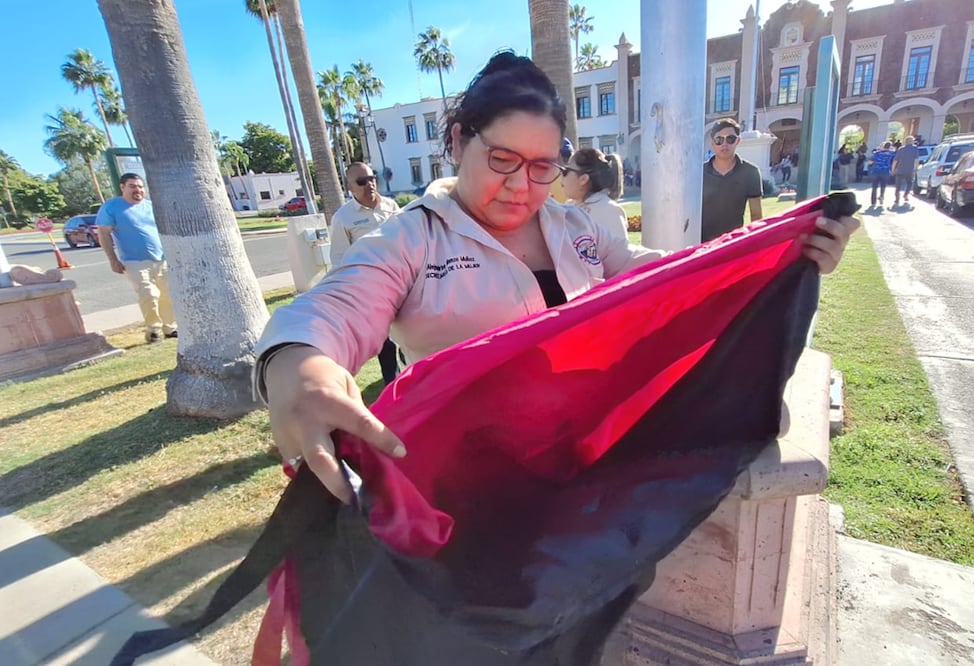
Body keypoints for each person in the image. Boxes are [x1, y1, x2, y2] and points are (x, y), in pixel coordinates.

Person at [252, 51, 859, 502]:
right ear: (460, 140)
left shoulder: (573, 225)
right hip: (474, 487)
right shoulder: (412, 237)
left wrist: (772, 254)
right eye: (502, 160)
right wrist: (299, 371)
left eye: (543, 166)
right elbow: (330, 310)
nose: (521, 187)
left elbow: (656, 279)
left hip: (590, 461)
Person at [329, 161, 402, 385]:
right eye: (361, 181)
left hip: (401, 278)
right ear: (350, 187)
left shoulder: (391, 206)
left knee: (410, 328)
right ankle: (393, 382)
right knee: (385, 338)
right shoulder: (343, 218)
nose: (369, 184)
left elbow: (407, 238)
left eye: (371, 178)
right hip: (369, 285)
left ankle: (414, 373)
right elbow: (339, 258)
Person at [96, 173, 176, 343]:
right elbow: (103, 233)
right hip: (134, 260)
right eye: (132, 186)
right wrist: (113, 259)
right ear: (122, 187)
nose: (137, 190)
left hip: (161, 258)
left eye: (140, 186)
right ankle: (153, 329)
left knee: (167, 294)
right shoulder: (111, 207)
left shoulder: (150, 206)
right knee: (148, 294)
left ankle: (170, 327)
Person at [701, 118, 763, 242]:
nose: (724, 144)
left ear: (738, 140)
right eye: (719, 140)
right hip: (702, 245)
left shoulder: (751, 172)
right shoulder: (699, 173)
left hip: (733, 244)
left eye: (730, 139)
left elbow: (756, 216)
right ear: (713, 143)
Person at [563, 147, 629, 240]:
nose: (562, 176)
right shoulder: (569, 206)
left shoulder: (609, 211)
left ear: (583, 179)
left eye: (566, 171)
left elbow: (621, 252)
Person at [890, 136, 921, 206]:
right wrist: (916, 168)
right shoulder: (915, 149)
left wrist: (893, 169)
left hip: (900, 170)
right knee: (909, 183)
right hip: (909, 170)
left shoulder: (901, 149)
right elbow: (916, 160)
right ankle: (906, 194)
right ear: (912, 141)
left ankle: (897, 199)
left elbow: (895, 160)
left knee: (898, 186)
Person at [868, 140, 894, 208]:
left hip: (876, 172)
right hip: (885, 172)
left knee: (874, 188)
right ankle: (881, 196)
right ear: (890, 147)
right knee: (883, 187)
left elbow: (870, 162)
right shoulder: (892, 154)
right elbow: (894, 162)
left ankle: (873, 202)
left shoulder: (877, 153)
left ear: (884, 146)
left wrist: (873, 164)